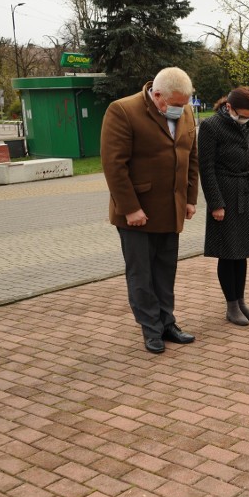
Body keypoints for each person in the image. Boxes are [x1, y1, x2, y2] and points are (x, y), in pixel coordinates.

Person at [101, 67, 200, 354]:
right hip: (137, 213)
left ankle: (168, 323)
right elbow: (114, 165)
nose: (182, 110)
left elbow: (191, 158)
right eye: (178, 105)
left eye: (185, 105)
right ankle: (151, 329)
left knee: (165, 272)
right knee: (141, 275)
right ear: (158, 96)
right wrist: (130, 208)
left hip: (171, 209)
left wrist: (190, 198)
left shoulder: (186, 112)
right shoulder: (122, 111)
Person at [198, 86, 249, 326]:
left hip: (247, 193)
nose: (245, 119)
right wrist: (216, 203)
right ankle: (231, 306)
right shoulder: (211, 127)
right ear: (229, 107)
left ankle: (240, 301)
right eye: (242, 115)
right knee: (228, 253)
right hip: (225, 195)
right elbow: (206, 169)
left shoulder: (248, 125)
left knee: (242, 252)